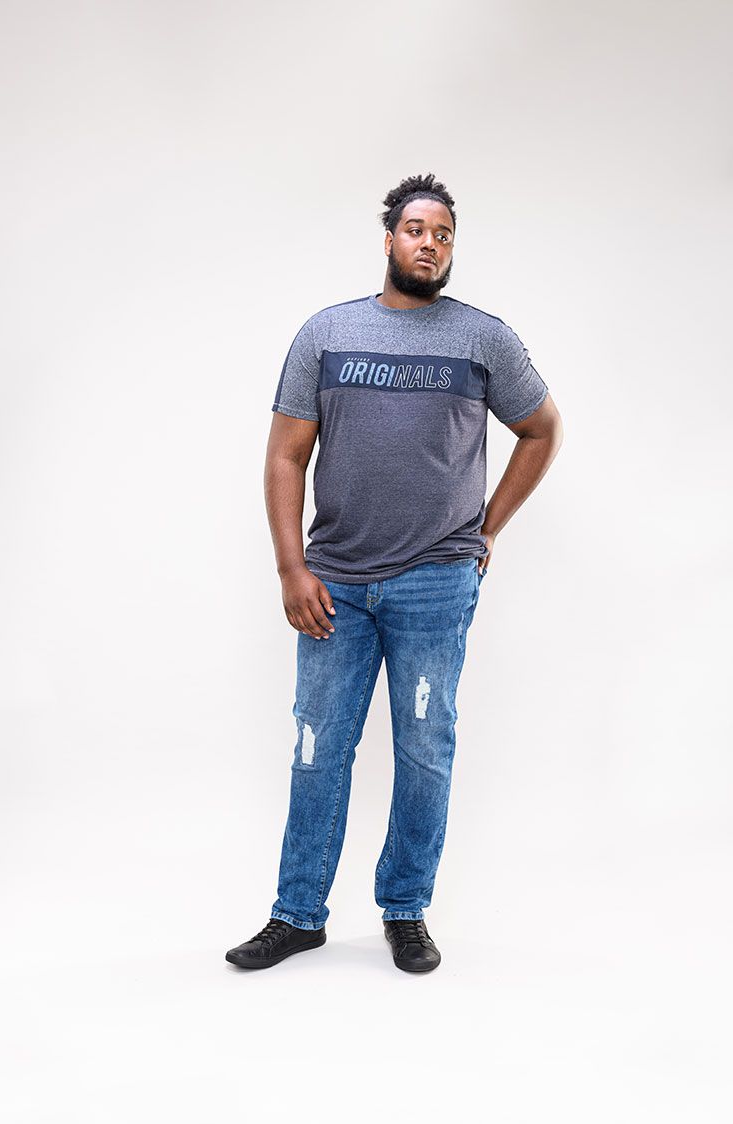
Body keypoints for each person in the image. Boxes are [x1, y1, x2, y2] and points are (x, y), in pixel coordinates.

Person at [225, 172, 564, 973]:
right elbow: (285, 455)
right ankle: (298, 914)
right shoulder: (326, 334)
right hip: (334, 584)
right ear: (389, 240)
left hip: (435, 582)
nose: (430, 244)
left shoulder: (484, 339)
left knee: (424, 751)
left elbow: (542, 429)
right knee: (318, 748)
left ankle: (406, 910)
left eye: (444, 235)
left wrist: (486, 530)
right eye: (416, 230)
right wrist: (290, 567)